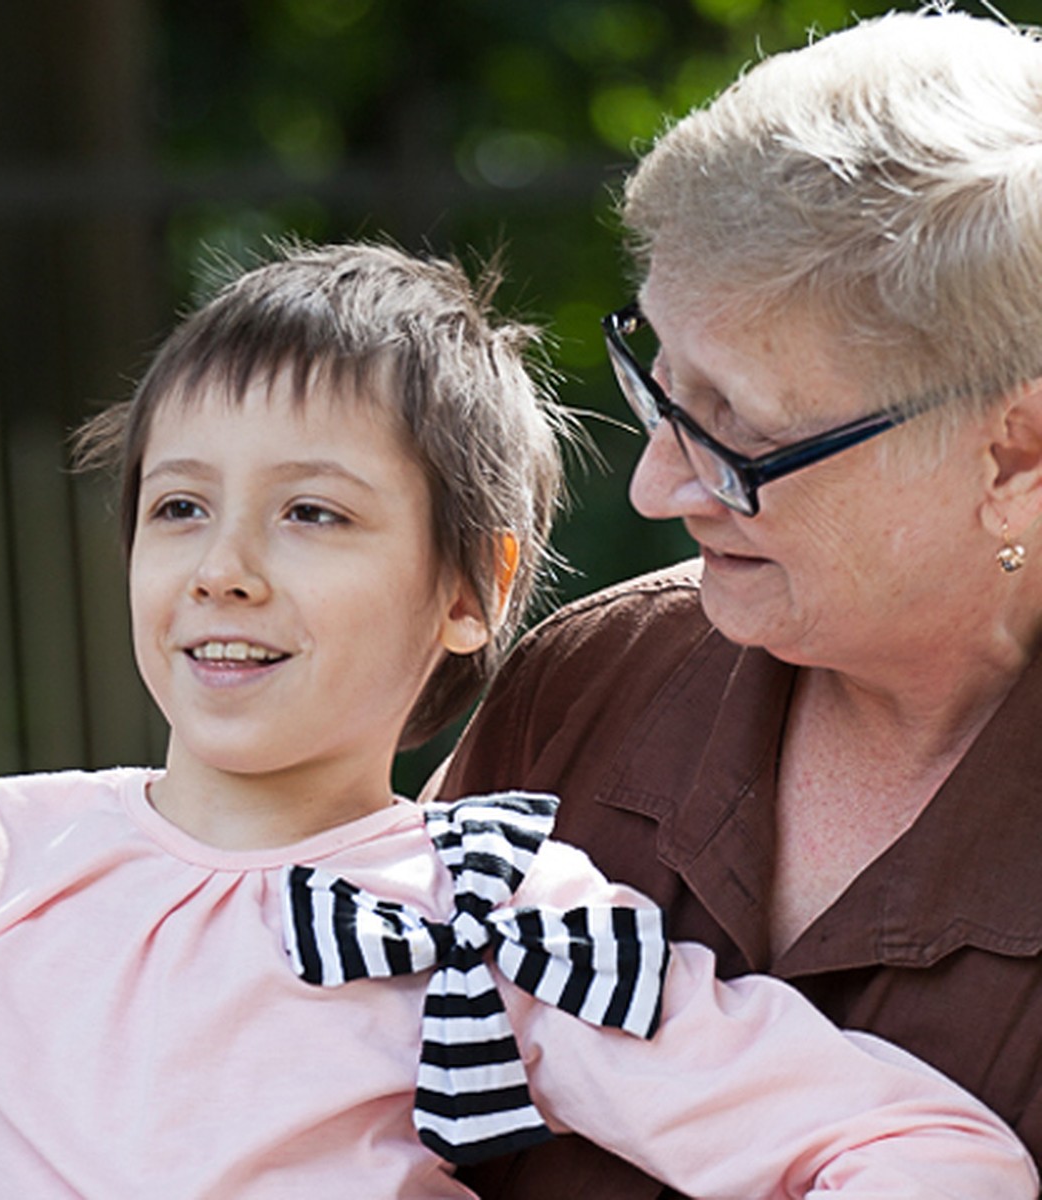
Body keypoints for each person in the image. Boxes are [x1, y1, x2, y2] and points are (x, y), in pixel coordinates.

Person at [0, 242, 1035, 1200]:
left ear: (472, 592)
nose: (224, 567)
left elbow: (925, 1154)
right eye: (180, 506)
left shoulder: (496, 915)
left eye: (312, 512)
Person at [435, 5, 1042, 1199]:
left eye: (741, 434)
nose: (661, 483)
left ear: (1015, 455)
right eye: (659, 386)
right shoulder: (592, 680)